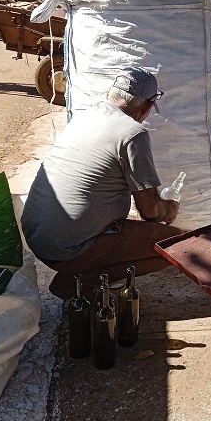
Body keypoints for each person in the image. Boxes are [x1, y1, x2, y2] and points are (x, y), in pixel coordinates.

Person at [21, 67, 181, 299]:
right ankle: (76, 282)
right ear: (147, 106)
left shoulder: (86, 116)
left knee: (137, 237)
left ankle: (79, 276)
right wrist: (169, 208)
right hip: (67, 247)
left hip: (37, 235)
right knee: (177, 246)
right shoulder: (132, 133)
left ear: (109, 94)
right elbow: (150, 211)